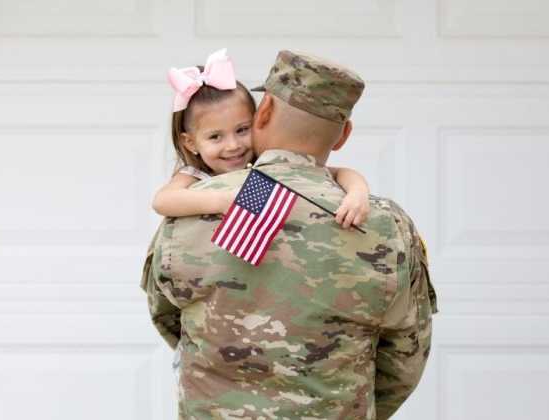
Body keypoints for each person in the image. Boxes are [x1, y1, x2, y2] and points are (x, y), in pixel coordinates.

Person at [141, 50, 438, 419]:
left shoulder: (193, 208)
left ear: (262, 114)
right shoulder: (386, 224)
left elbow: (168, 317)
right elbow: (405, 356)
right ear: (344, 135)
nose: (232, 143)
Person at [152, 48, 371, 231]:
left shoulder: (263, 163)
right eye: (215, 136)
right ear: (190, 143)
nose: (233, 145)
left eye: (242, 129)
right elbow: (162, 201)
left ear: (258, 118)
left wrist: (357, 194)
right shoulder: (194, 175)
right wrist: (224, 200)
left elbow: (341, 173)